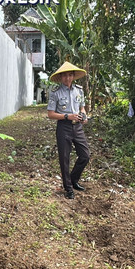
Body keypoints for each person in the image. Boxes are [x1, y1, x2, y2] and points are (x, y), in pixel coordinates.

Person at [46, 62, 91, 199]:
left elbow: (82, 107)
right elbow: (50, 114)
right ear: (60, 77)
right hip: (63, 127)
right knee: (64, 158)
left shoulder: (79, 90)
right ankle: (68, 188)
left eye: (70, 75)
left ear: (73, 76)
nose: (67, 78)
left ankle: (73, 179)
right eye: (64, 76)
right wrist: (67, 116)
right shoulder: (55, 93)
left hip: (77, 127)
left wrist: (84, 116)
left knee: (85, 155)